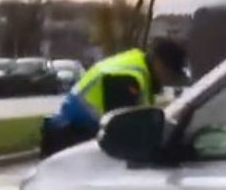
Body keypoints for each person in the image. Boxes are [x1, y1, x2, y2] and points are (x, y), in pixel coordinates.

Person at [39, 37, 189, 158]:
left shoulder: (140, 71)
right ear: (160, 64)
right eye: (171, 73)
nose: (169, 80)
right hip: (72, 138)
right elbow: (122, 129)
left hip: (79, 134)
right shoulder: (128, 78)